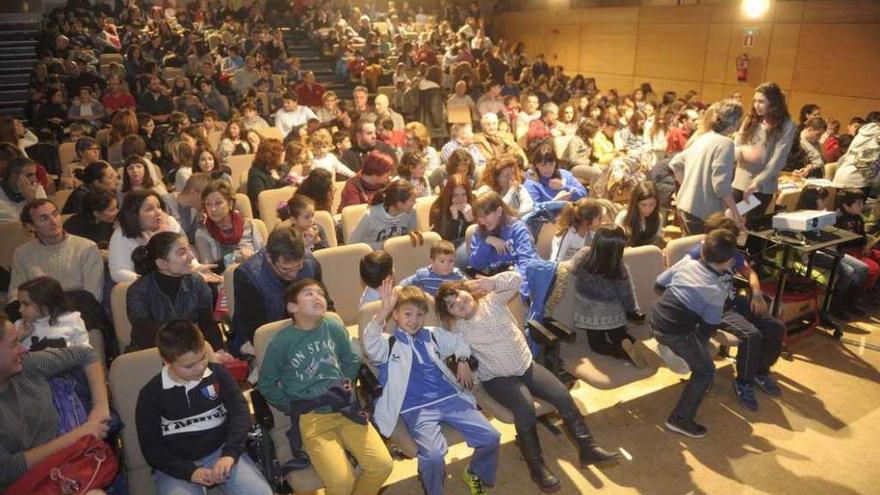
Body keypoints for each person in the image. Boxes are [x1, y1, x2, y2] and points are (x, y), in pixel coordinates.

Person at [435, 272, 619, 492]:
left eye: (458, 295)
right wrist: (462, 360)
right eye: (451, 305)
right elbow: (451, 346)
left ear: (469, 291)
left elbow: (516, 280)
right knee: (525, 407)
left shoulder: (493, 300)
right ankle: (537, 467)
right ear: (450, 313)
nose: (458, 303)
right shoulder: (458, 328)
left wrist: (491, 282)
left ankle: (588, 448)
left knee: (562, 394)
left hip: (526, 366)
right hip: (498, 378)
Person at [257, 279, 393, 495]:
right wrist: (291, 406)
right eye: (309, 294)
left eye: (320, 293)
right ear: (292, 307)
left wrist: (345, 384)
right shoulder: (281, 342)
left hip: (344, 409)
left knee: (382, 465)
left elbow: (351, 360)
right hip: (312, 418)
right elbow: (266, 384)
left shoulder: (333, 328)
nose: (317, 297)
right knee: (341, 483)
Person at [364, 281, 499, 495]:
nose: (414, 320)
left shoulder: (433, 335)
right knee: (434, 456)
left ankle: (475, 472)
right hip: (417, 409)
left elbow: (458, 340)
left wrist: (462, 359)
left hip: (450, 398)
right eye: (407, 314)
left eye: (419, 315)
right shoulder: (388, 344)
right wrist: (383, 311)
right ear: (396, 316)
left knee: (491, 436)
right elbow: (369, 343)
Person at [136, 320, 272, 495]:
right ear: (166, 362)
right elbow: (151, 447)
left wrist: (230, 454)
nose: (199, 368)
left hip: (220, 451)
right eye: (189, 366)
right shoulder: (151, 394)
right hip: (176, 463)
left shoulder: (219, 374)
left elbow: (240, 414)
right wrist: (189, 472)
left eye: (202, 359)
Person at [683, 214, 785, 411]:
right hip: (714, 308)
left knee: (775, 327)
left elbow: (750, 273)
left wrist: (756, 293)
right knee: (751, 335)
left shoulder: (732, 253)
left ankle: (759, 371)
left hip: (733, 301)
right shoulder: (697, 255)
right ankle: (743, 382)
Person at [0, 314, 112, 493]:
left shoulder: (28, 365)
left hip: (63, 474)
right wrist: (78, 435)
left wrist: (100, 407)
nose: (23, 349)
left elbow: (86, 353)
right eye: (14, 344)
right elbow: (8, 470)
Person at [650, 229, 738, 438]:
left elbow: (659, 283)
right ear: (727, 261)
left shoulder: (687, 263)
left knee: (697, 347)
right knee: (706, 370)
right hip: (674, 332)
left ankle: (671, 349)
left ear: (703, 251)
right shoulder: (717, 290)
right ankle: (679, 419)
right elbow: (710, 328)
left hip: (655, 319)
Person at [127, 231, 227, 354]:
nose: (191, 256)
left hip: (189, 353)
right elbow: (148, 340)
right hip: (150, 357)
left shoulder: (197, 283)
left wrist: (220, 352)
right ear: (162, 263)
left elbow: (208, 327)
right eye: (182, 253)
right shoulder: (139, 292)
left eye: (188, 250)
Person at [231, 228, 327, 355]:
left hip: (308, 335)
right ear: (269, 258)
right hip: (268, 341)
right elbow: (257, 332)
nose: (294, 275)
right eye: (286, 270)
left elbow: (327, 306)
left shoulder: (310, 264)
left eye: (298, 267)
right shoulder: (248, 277)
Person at [570, 226, 649, 365]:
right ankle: (635, 347)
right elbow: (627, 294)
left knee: (598, 345)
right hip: (612, 313)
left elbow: (572, 268)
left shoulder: (583, 256)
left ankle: (618, 352)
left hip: (589, 313)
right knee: (619, 335)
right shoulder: (620, 268)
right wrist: (633, 310)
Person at [9, 199, 104, 304]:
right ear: (30, 226)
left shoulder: (87, 248)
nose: (53, 221)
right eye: (44, 218)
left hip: (79, 311)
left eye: (55, 214)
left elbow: (93, 295)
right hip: (38, 313)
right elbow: (15, 294)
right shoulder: (22, 253)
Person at [671, 99, 744, 234]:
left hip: (684, 205)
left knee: (687, 249)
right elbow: (721, 186)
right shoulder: (726, 143)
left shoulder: (704, 137)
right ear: (736, 122)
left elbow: (676, 164)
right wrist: (735, 213)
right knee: (701, 251)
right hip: (704, 212)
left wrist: (688, 187)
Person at [733, 82, 797, 230]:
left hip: (761, 187)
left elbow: (778, 160)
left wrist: (757, 182)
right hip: (739, 181)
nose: (756, 105)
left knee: (749, 228)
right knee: (730, 223)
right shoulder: (750, 119)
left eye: (761, 101)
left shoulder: (786, 125)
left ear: (774, 103)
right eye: (755, 101)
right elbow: (735, 147)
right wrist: (744, 152)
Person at [469, 192, 540, 298]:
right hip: (492, 284)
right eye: (479, 217)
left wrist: (521, 295)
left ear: (499, 211)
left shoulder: (517, 228)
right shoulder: (479, 232)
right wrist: (487, 241)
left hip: (518, 283)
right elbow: (476, 264)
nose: (482, 222)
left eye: (485, 216)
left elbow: (527, 262)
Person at [194, 181, 264, 267]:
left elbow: (262, 258)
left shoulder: (249, 225)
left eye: (218, 203)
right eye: (208, 204)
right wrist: (235, 258)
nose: (213, 209)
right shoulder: (202, 233)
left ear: (230, 203)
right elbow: (209, 269)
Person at [15, 276, 89, 351]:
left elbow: (87, 355)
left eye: (26, 304)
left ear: (44, 302)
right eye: (19, 304)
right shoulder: (19, 326)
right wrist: (19, 338)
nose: (20, 310)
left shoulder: (72, 320)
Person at [349, 180, 418, 249]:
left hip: (398, 254)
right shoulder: (370, 217)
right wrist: (386, 245)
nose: (415, 202)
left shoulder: (411, 212)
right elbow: (352, 244)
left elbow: (413, 238)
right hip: (373, 257)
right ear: (399, 203)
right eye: (412, 200)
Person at [400, 240, 468, 296]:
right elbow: (407, 282)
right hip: (430, 308)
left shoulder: (456, 274)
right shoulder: (423, 274)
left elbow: (468, 284)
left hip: (448, 307)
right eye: (442, 261)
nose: (447, 265)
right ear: (432, 261)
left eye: (451, 261)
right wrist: (399, 287)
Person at [551, 198, 603, 262]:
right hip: (563, 269)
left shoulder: (592, 234)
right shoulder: (567, 234)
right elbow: (556, 261)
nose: (601, 221)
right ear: (586, 221)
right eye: (599, 218)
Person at [246, 138, 289, 216]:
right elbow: (260, 204)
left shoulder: (283, 168)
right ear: (271, 156)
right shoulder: (256, 174)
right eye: (281, 152)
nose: (284, 154)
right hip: (269, 213)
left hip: (287, 209)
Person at [615, 181, 664, 247]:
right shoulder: (623, 216)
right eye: (643, 205)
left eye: (652, 204)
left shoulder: (659, 218)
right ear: (636, 203)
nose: (648, 209)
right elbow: (615, 244)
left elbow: (656, 242)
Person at [0, 157, 47, 223]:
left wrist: (32, 200)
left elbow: (45, 218)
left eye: (35, 174)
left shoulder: (37, 189)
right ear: (14, 177)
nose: (35, 179)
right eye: (30, 175)